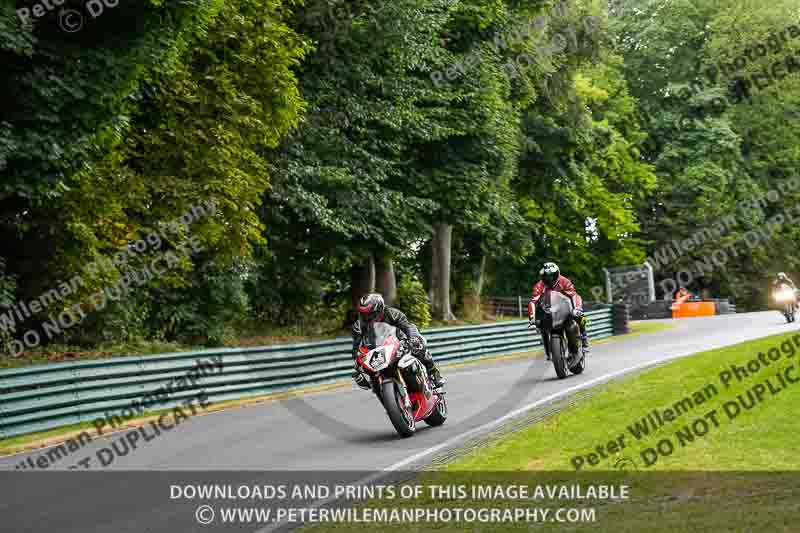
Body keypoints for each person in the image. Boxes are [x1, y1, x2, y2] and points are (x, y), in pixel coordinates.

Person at [351, 293, 446, 391]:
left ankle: (433, 373)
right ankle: (378, 387)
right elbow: (356, 347)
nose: (366, 317)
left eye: (369, 314)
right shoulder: (358, 326)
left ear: (378, 310)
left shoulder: (392, 314)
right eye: (363, 314)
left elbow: (408, 326)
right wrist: (357, 359)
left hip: (399, 343)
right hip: (378, 352)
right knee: (362, 370)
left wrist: (413, 337)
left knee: (418, 345)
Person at [527, 262, 589, 360]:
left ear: (557, 274)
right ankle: (548, 351)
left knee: (579, 316)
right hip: (549, 310)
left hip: (565, 308)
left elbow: (574, 295)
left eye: (552, 276)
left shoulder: (564, 281)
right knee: (540, 324)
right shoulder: (539, 286)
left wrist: (577, 308)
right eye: (546, 276)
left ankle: (584, 336)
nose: (549, 279)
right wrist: (532, 319)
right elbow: (533, 302)